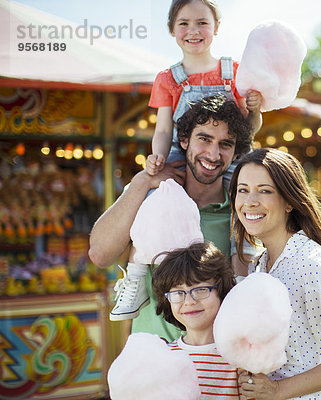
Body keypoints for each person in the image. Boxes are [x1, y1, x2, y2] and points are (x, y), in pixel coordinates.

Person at [88, 95, 254, 341]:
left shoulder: (241, 213)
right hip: (154, 362)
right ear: (184, 140)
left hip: (215, 365)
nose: (213, 154)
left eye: (225, 144)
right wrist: (143, 181)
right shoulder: (149, 196)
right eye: (204, 139)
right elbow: (100, 255)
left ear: (235, 151)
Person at [230, 148, 321, 399]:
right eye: (243, 189)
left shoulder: (309, 265)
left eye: (264, 190)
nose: (250, 201)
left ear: (289, 202)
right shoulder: (260, 265)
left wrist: (277, 390)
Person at [146, 0, 262, 176]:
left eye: (202, 23)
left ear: (216, 27)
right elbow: (163, 130)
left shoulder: (236, 72)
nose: (193, 31)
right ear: (172, 28)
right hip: (182, 159)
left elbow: (250, 129)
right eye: (184, 23)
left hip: (230, 158)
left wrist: (255, 111)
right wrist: (158, 157)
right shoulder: (167, 79)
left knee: (245, 192)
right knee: (155, 191)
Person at [152, 241, 241, 398]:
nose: (189, 301)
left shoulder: (240, 358)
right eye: (178, 293)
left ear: (221, 292)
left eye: (200, 290)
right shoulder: (164, 356)